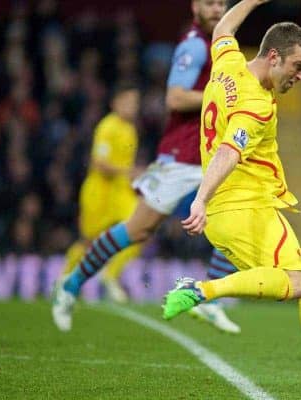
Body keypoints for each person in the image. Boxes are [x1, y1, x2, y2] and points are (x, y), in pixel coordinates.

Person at [161, 0, 301, 397]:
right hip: (241, 207)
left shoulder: (228, 66)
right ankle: (201, 291)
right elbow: (229, 153)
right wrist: (200, 198)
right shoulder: (257, 105)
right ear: (273, 56)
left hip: (240, 208)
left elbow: (222, 31)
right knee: (299, 281)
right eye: (297, 67)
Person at [52, 0, 240, 334]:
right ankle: (71, 284)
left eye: (222, 4)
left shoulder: (224, 46)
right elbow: (175, 98)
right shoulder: (194, 45)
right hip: (180, 158)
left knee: (236, 220)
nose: (216, 9)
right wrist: (221, 95)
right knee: (137, 230)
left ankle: (209, 301)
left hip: (210, 155)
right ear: (196, 6)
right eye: (210, 3)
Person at [58, 82, 142, 304]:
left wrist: (136, 175)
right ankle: (64, 279)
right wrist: (129, 170)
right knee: (88, 241)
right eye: (128, 101)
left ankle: (110, 275)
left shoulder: (130, 129)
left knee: (140, 230)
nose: (132, 106)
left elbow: (125, 165)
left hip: (121, 192)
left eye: (135, 102)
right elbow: (99, 163)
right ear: (115, 103)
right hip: (99, 191)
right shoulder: (107, 127)